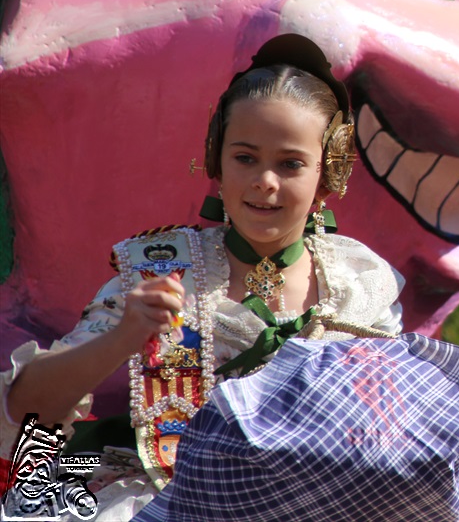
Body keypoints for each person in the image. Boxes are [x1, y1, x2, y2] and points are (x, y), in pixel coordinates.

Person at [1, 34, 404, 518]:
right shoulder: (164, 268)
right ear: (216, 158)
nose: (264, 181)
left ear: (330, 170)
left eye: (291, 163)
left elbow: (389, 426)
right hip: (173, 496)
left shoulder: (357, 282)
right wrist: (125, 337)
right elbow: (29, 415)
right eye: (245, 157)